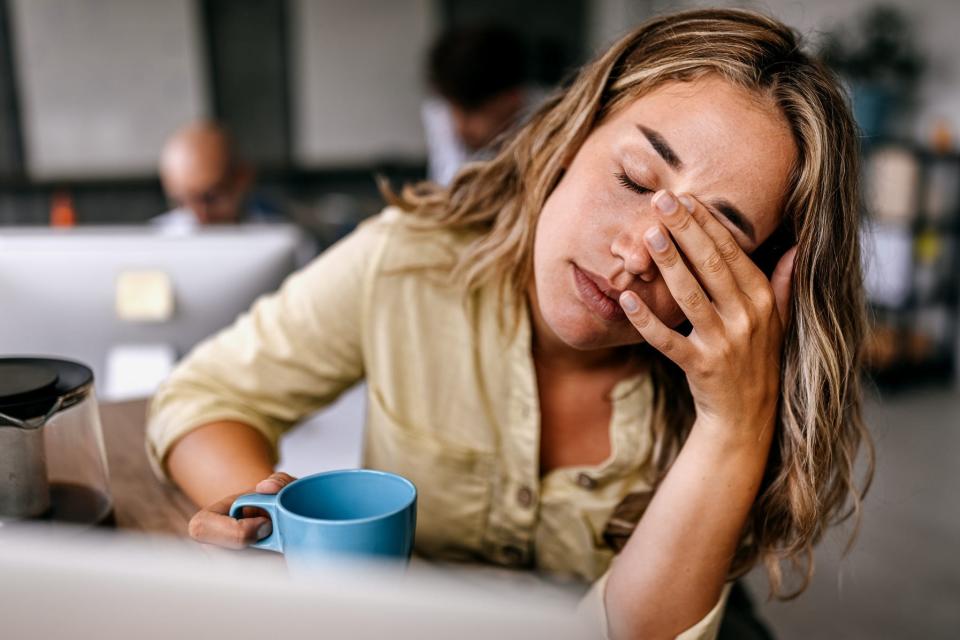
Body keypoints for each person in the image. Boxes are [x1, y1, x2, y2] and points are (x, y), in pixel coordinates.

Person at [147, 9, 874, 639]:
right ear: (571, 135)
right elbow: (203, 398)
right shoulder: (407, 263)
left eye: (709, 242)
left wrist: (733, 426)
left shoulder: (742, 384)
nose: (634, 257)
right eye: (633, 179)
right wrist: (282, 538)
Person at [422, 25, 545, 186]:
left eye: (471, 112)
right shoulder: (441, 112)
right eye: (453, 108)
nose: (460, 126)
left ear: (512, 97)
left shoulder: (550, 119)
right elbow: (449, 187)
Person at [153, 121, 276, 231]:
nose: (200, 218)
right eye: (182, 202)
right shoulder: (154, 240)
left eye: (211, 198)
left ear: (243, 179)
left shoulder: (280, 232)